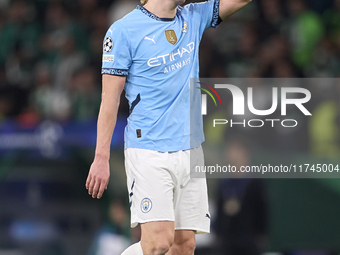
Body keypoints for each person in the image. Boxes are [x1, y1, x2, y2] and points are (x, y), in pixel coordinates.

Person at [85, 0, 252, 254]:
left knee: (185, 245)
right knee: (158, 243)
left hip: (190, 149)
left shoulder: (194, 16)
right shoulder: (123, 31)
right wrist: (101, 157)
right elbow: (109, 101)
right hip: (149, 149)